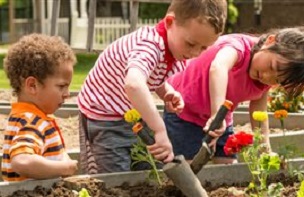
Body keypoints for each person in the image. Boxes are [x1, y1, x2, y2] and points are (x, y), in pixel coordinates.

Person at [77, 0, 227, 173]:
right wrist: (159, 129)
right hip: (104, 115)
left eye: (203, 48)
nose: (194, 53)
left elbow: (149, 74)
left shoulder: (172, 48)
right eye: (191, 44)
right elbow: (134, 84)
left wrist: (166, 92)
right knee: (115, 175)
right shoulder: (149, 45)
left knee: (147, 166)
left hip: (130, 113)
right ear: (170, 22)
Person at [163, 26, 304, 164]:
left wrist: (264, 147)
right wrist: (217, 114)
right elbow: (218, 68)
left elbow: (259, 110)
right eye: (273, 67)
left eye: (278, 80)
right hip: (183, 111)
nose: (267, 77)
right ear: (270, 41)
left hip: (221, 120)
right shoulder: (238, 47)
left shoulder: (265, 80)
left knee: (228, 167)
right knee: (190, 169)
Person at [1, 34, 78, 182]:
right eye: (61, 86)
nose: (67, 94)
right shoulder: (32, 121)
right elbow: (21, 161)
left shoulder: (22, 116)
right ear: (32, 85)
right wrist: (65, 167)